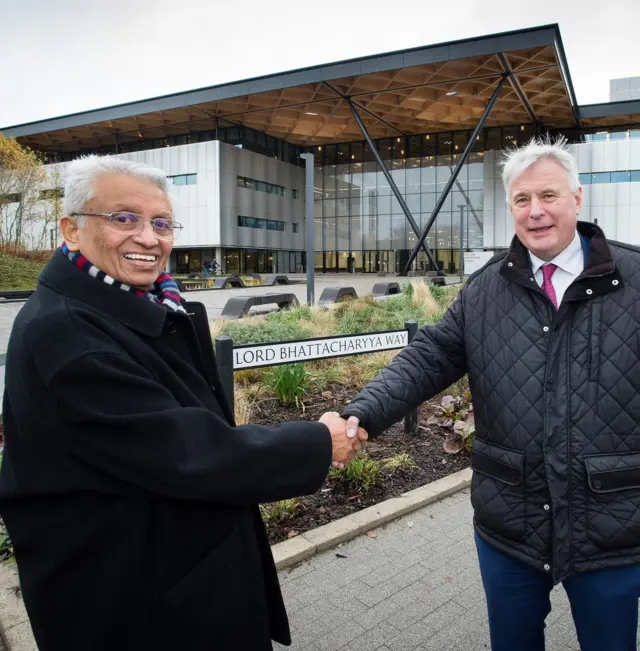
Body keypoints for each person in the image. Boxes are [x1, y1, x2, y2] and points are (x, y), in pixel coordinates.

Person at [0, 155, 366, 651]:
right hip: (134, 605)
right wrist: (318, 443)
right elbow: (191, 453)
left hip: (176, 578)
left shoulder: (140, 305)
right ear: (71, 229)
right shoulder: (66, 336)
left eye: (161, 223)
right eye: (123, 218)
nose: (149, 238)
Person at [336, 137, 640, 651]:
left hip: (608, 523)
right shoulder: (485, 289)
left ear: (577, 199)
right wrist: (361, 414)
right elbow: (429, 357)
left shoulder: (633, 280)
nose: (536, 211)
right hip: (510, 525)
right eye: (522, 200)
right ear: (511, 208)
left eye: (548, 196)